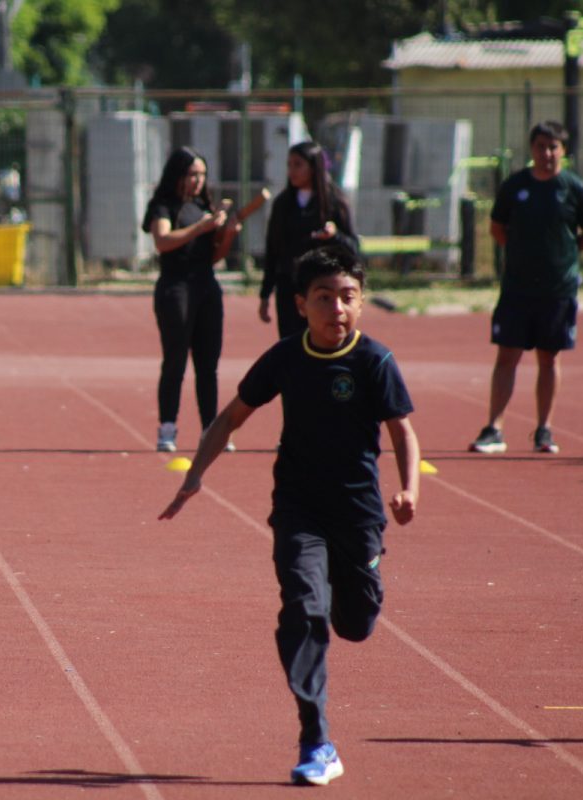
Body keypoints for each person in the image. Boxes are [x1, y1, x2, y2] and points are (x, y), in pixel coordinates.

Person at [159, 245, 420, 787]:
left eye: (348, 297)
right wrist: (195, 474)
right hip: (298, 511)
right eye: (324, 298)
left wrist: (409, 490)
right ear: (301, 304)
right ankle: (316, 739)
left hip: (359, 517)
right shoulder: (285, 358)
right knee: (303, 610)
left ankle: (364, 582)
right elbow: (230, 417)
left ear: (362, 303)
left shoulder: (375, 361)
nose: (337, 309)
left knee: (355, 623)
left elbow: (402, 431)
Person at [469, 120, 583, 455]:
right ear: (532, 149)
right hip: (517, 287)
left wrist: (564, 257)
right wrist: (518, 256)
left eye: (553, 147)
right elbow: (497, 228)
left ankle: (544, 429)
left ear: (563, 151)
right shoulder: (515, 186)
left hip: (557, 290)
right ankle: (494, 428)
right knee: (507, 355)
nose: (547, 153)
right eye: (541, 146)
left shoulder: (573, 188)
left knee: (549, 357)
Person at [141, 146, 240, 453]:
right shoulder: (163, 206)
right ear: (178, 174)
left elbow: (214, 256)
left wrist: (228, 234)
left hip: (206, 287)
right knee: (175, 361)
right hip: (175, 288)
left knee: (208, 364)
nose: (197, 181)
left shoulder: (203, 206)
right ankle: (167, 429)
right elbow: (162, 241)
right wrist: (202, 227)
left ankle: (211, 429)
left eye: (202, 175)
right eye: (191, 174)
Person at [260, 141, 358, 340]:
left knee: (322, 340)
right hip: (289, 287)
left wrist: (334, 236)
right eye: (289, 165)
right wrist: (265, 294)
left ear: (314, 167)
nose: (292, 171)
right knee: (291, 346)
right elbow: (273, 250)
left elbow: (353, 248)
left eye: (298, 164)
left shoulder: (334, 201)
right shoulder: (283, 204)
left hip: (323, 287)